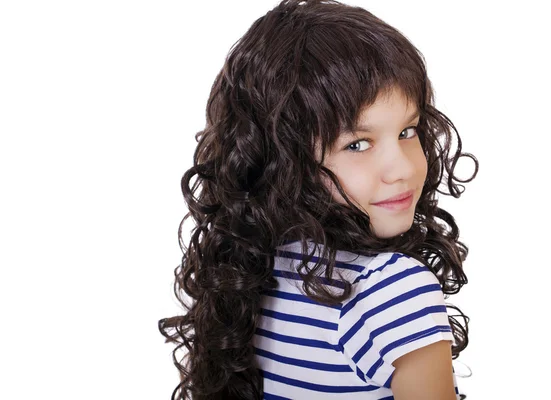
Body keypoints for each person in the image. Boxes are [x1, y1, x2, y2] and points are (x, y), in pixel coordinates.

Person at [158, 0, 478, 398]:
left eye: (407, 132)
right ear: (286, 160)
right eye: (358, 144)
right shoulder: (393, 288)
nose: (403, 168)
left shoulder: (249, 271)